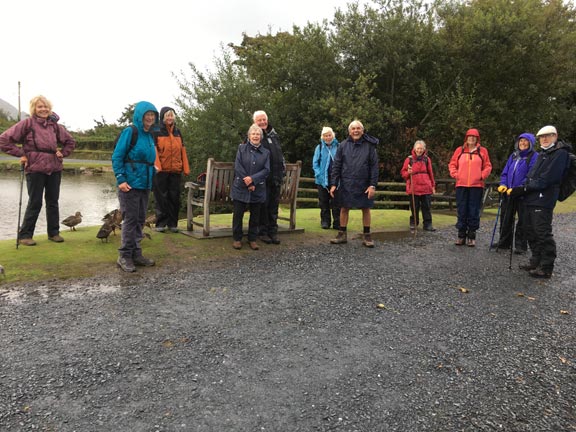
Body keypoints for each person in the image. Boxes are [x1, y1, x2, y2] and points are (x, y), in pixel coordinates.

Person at [0, 95, 76, 246]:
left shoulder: (54, 126)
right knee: (35, 202)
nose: (43, 109)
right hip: (34, 167)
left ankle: (54, 233)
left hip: (54, 167)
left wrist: (63, 152)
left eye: (46, 106)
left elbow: (70, 141)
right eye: (40, 106)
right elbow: (3, 140)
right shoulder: (27, 123)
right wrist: (21, 154)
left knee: (53, 201)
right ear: (34, 109)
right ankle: (25, 235)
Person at [507, 126, 571, 279]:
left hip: (544, 199)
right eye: (542, 137)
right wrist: (522, 188)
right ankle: (536, 261)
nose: (544, 139)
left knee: (542, 232)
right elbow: (531, 175)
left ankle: (546, 266)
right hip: (532, 198)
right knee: (530, 230)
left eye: (548, 136)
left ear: (555, 136)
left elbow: (548, 179)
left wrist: (524, 188)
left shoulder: (560, 154)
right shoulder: (544, 153)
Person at [112, 101, 159, 272]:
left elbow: (146, 158)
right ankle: (124, 256)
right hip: (130, 184)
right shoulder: (130, 132)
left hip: (145, 183)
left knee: (140, 219)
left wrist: (152, 168)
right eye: (147, 115)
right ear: (140, 115)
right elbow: (117, 156)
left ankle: (136, 254)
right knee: (130, 220)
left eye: (153, 115)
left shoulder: (150, 135)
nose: (150, 118)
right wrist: (121, 179)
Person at [329, 120, 379, 248]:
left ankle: (367, 235)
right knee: (344, 208)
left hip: (364, 183)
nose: (356, 131)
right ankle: (342, 234)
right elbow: (337, 166)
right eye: (353, 129)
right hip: (346, 183)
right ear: (349, 131)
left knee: (366, 209)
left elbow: (374, 167)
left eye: (358, 128)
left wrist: (372, 185)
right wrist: (334, 184)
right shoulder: (343, 145)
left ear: (362, 131)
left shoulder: (369, 146)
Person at [448, 128, 492, 247]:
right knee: (462, 210)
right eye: (469, 136)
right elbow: (452, 164)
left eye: (474, 137)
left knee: (473, 210)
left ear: (477, 139)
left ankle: (471, 236)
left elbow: (488, 166)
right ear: (466, 138)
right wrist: (456, 174)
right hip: (461, 185)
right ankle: (461, 235)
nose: (471, 138)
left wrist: (481, 176)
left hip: (476, 186)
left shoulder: (482, 151)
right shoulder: (460, 150)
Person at [495, 133, 538, 254]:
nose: (522, 143)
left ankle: (520, 246)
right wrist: (503, 184)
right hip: (508, 192)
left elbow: (531, 175)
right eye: (521, 141)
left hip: (523, 193)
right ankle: (504, 242)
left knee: (523, 220)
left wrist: (519, 187)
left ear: (531, 143)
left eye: (526, 141)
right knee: (506, 217)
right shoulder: (514, 156)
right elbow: (505, 172)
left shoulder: (534, 156)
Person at [231, 124, 270, 250]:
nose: (255, 136)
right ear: (249, 136)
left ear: (261, 136)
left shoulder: (266, 152)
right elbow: (238, 166)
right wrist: (247, 182)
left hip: (257, 188)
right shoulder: (241, 148)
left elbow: (266, 170)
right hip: (240, 187)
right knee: (238, 215)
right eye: (253, 134)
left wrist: (253, 180)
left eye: (258, 134)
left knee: (255, 216)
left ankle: (252, 239)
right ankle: (237, 239)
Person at [152, 107, 190, 233]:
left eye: (171, 115)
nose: (170, 118)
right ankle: (160, 224)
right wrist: (157, 167)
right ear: (163, 117)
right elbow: (154, 150)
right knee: (161, 197)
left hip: (175, 170)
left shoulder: (178, 132)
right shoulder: (156, 131)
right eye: (167, 116)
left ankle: (173, 224)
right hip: (161, 171)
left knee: (174, 197)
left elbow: (182, 150)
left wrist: (185, 168)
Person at [253, 110, 285, 245]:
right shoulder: (254, 136)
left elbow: (280, 155)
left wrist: (282, 171)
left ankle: (273, 232)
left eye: (264, 119)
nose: (262, 122)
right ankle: (263, 232)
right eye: (259, 120)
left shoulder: (274, 135)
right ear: (255, 122)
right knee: (263, 206)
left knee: (273, 206)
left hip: (276, 177)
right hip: (262, 178)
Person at [400, 140, 436, 232]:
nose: (419, 150)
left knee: (426, 207)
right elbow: (403, 173)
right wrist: (408, 172)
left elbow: (431, 173)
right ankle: (414, 223)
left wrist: (433, 185)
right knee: (414, 207)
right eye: (418, 148)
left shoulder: (427, 159)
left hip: (425, 187)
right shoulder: (409, 159)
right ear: (414, 149)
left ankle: (428, 224)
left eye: (421, 148)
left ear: (424, 149)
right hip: (414, 187)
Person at [312, 126, 340, 230]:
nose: (328, 137)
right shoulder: (319, 147)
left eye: (329, 135)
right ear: (322, 137)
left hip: (336, 180)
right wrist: (318, 174)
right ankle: (325, 222)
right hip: (322, 180)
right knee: (323, 202)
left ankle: (337, 222)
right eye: (325, 136)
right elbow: (315, 163)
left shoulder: (339, 147)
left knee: (336, 202)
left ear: (332, 136)